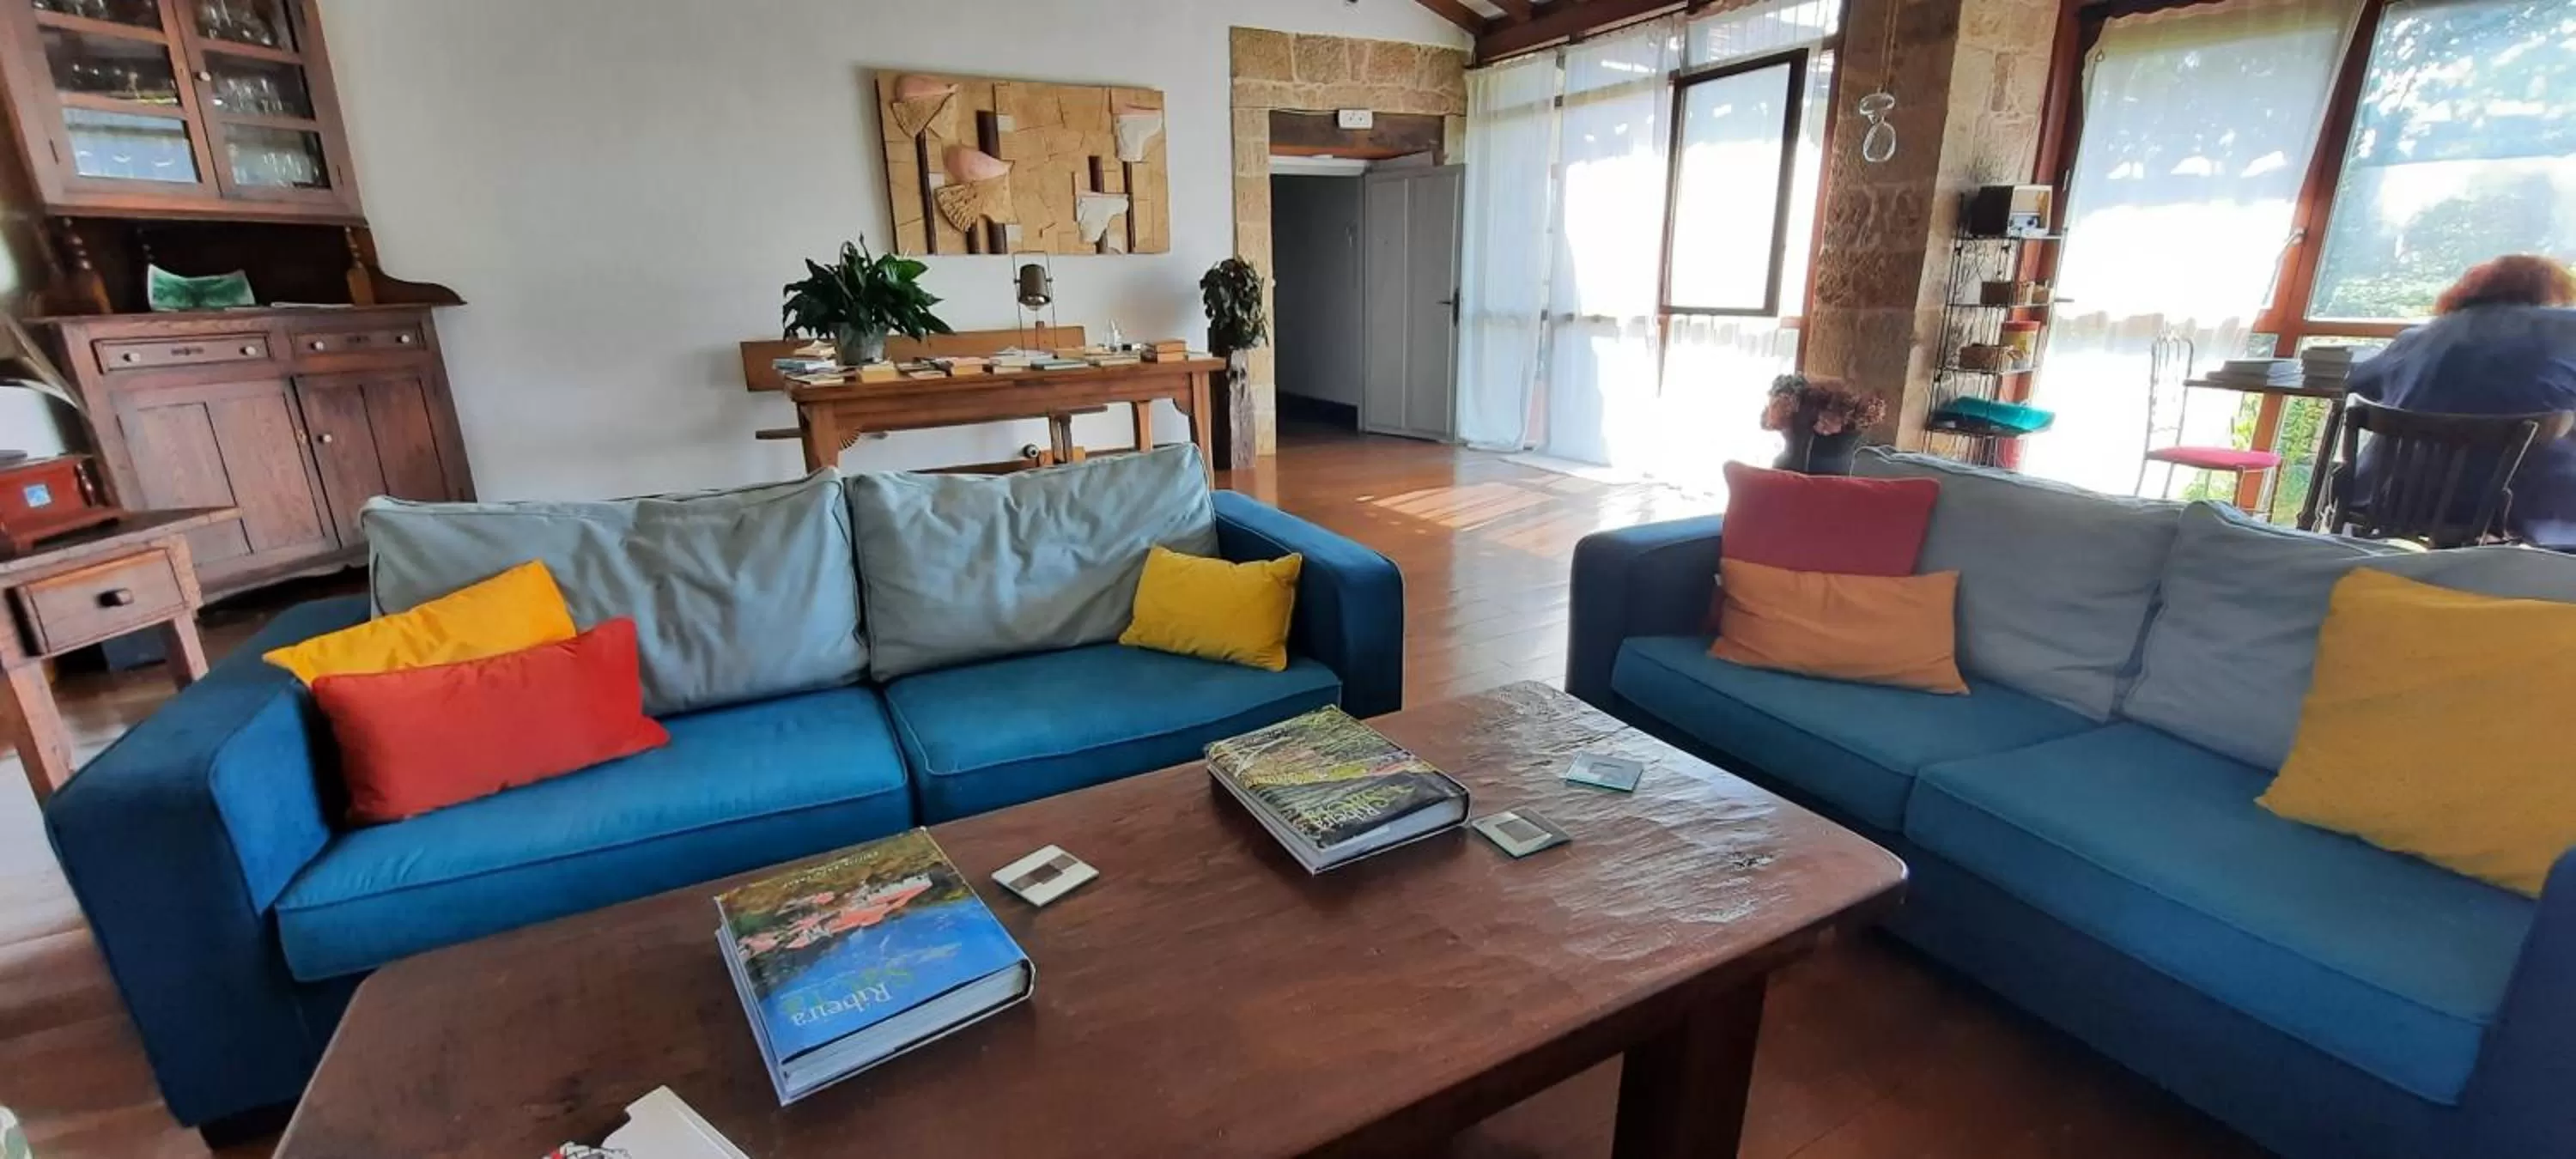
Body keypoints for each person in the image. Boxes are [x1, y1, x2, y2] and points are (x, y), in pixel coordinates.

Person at [2345, 253, 2576, 548]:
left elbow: (2356, 381)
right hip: (2525, 510)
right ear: (2554, 293)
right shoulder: (2568, 329)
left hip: (2399, 498)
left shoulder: (2417, 338)